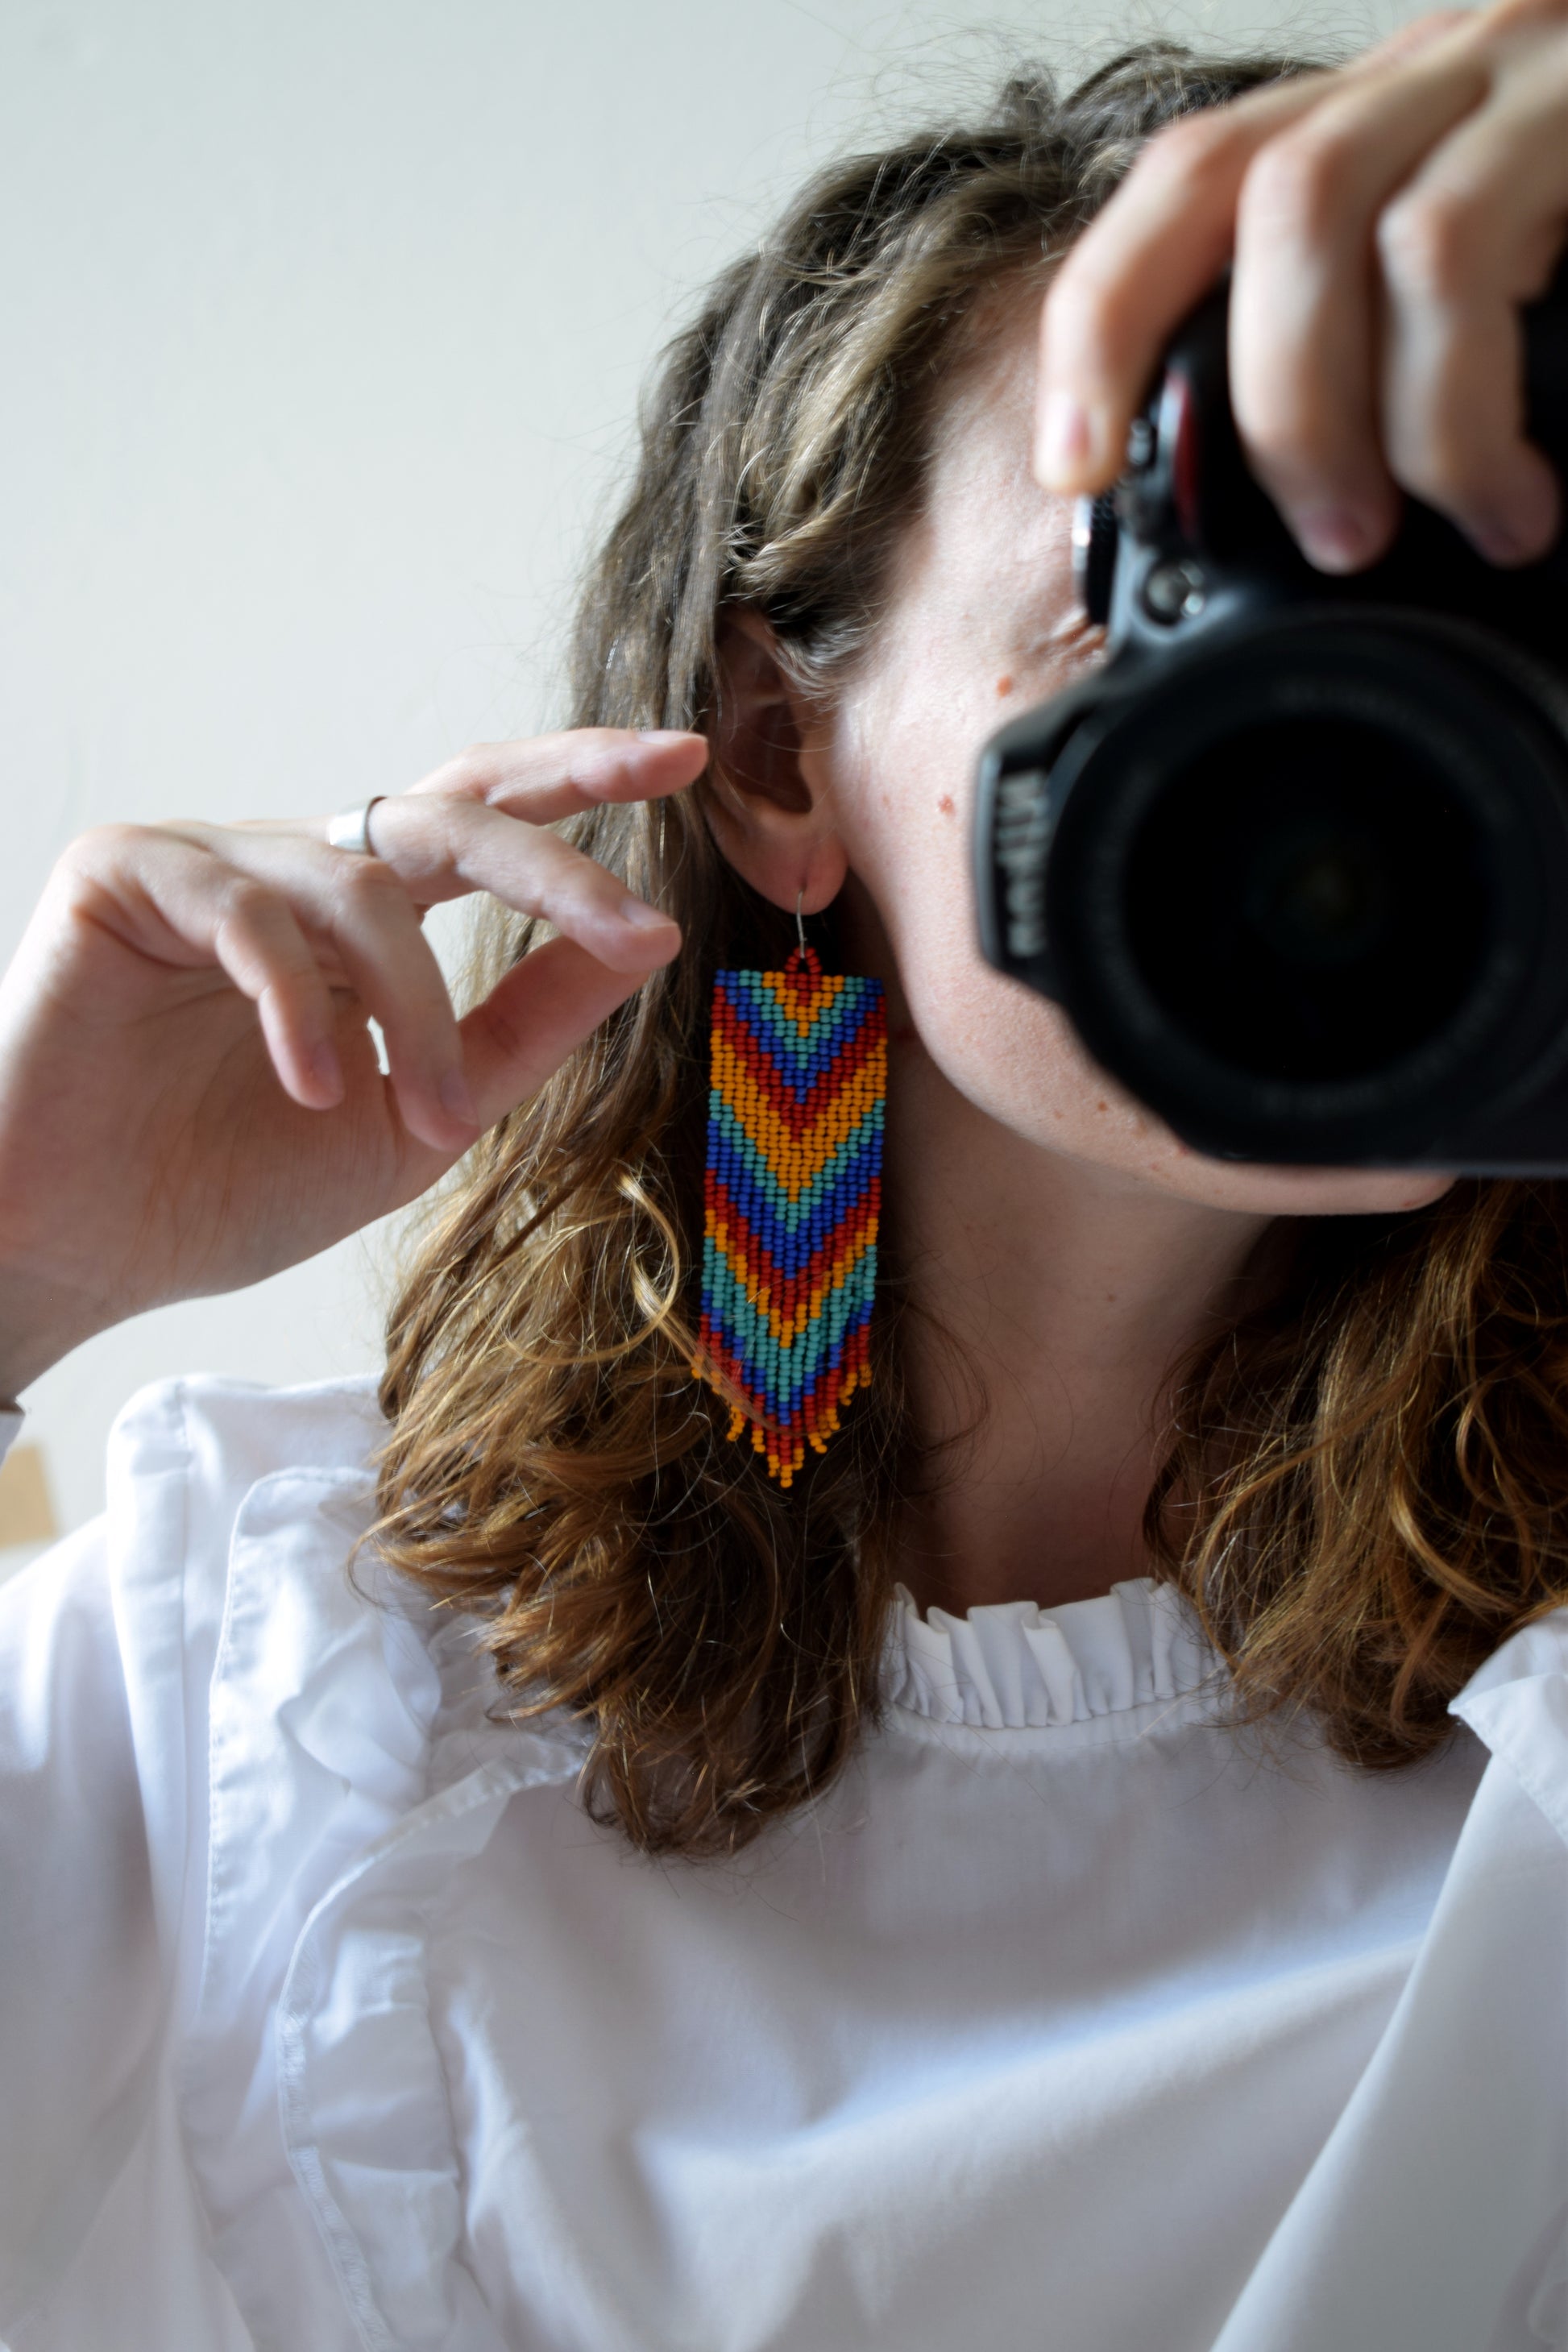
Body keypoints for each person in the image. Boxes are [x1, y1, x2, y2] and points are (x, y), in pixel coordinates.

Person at [2, 12, 1566, 2348]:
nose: (1368, 761)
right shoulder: (266, 1687)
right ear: (770, 758)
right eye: (1175, 615)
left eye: (1483, 648)